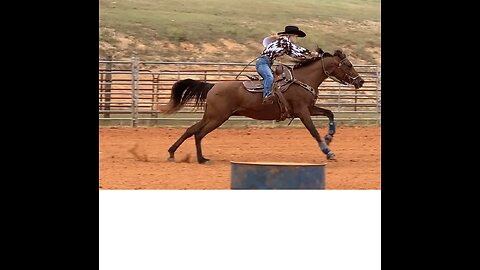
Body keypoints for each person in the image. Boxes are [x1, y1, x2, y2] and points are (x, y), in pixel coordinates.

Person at [256, 25, 315, 104]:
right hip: (263, 63)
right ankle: (266, 96)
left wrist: (309, 55)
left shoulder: (284, 43)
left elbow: (295, 51)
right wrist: (310, 56)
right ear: (290, 36)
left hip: (265, 63)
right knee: (269, 77)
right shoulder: (284, 42)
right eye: (295, 36)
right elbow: (296, 51)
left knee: (274, 79)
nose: (296, 39)